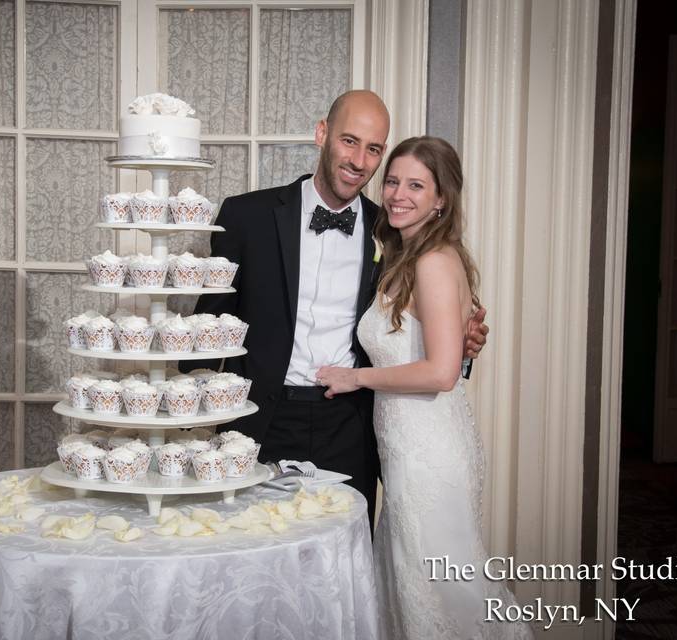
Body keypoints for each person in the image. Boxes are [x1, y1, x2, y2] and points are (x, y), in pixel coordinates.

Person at [191, 90, 487, 518]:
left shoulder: (392, 231)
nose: (359, 161)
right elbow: (208, 322)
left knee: (344, 564)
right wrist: (180, 405)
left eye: (373, 149)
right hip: (259, 421)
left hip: (350, 426)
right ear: (322, 134)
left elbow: (426, 320)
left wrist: (463, 344)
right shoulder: (245, 216)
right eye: (349, 141)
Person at [317, 136, 532, 639]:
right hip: (405, 450)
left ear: (441, 199)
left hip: (430, 454)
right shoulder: (401, 256)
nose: (397, 194)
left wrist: (356, 377)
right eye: (392, 181)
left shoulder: (433, 262)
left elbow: (440, 372)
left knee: (446, 591)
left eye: (416, 185)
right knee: (416, 586)